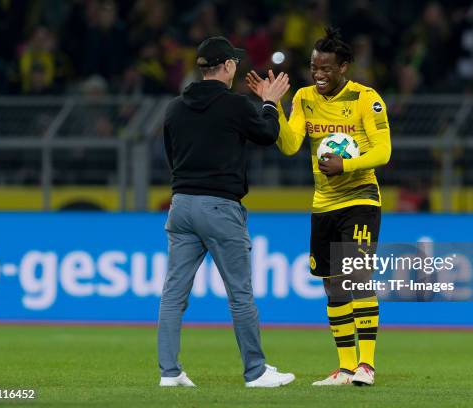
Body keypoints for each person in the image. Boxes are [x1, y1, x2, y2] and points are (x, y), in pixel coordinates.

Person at [247, 27, 391, 386]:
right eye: (314, 68)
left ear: (344, 66)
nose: (319, 74)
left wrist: (347, 165)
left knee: (358, 276)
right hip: (324, 203)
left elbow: (383, 151)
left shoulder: (366, 98)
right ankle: (345, 369)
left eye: (326, 68)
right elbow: (291, 144)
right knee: (333, 285)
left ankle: (367, 365)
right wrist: (274, 106)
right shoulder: (305, 98)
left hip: (360, 198)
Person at [158, 36, 294, 388]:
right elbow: (266, 135)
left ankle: (169, 373)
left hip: (182, 205)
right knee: (239, 293)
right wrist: (269, 103)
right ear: (229, 66)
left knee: (174, 294)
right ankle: (256, 371)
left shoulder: (174, 108)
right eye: (234, 62)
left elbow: (172, 157)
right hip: (220, 206)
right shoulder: (234, 106)